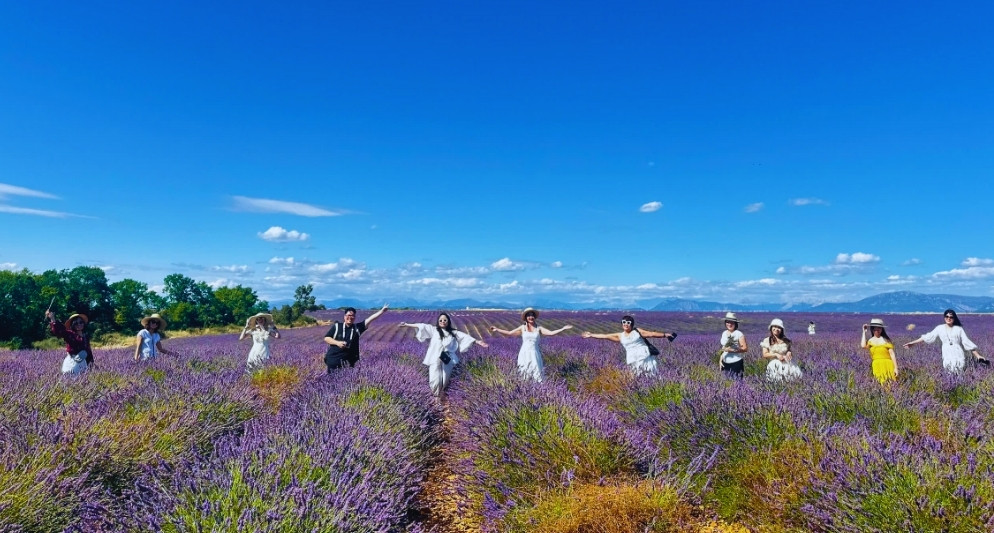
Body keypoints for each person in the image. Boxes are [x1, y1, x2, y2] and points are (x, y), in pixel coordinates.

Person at [399, 312, 488, 399]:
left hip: (447, 358)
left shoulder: (453, 332)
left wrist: (478, 342)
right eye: (440, 320)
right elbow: (422, 326)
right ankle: (436, 396)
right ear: (438, 321)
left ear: (448, 321)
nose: (442, 321)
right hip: (434, 358)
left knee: (445, 378)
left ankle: (442, 394)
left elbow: (465, 337)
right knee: (434, 379)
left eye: (445, 320)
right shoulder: (434, 330)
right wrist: (407, 324)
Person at [489, 308, 573, 382]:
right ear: (526, 318)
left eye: (532, 315)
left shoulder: (539, 328)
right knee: (524, 371)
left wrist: (562, 329)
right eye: (528, 315)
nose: (530, 317)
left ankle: (539, 390)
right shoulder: (522, 327)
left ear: (534, 317)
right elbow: (510, 333)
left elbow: (551, 333)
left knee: (536, 371)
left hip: (534, 353)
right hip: (524, 353)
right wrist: (497, 329)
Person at [581, 315, 675, 375]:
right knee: (636, 375)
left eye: (628, 322)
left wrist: (665, 335)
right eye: (624, 322)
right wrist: (591, 335)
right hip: (632, 358)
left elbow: (651, 334)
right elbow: (605, 336)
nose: (626, 324)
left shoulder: (637, 331)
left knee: (649, 374)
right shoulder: (620, 335)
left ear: (632, 324)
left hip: (644, 356)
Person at [903, 309, 987, 372]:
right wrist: (912, 343)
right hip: (946, 353)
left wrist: (978, 355)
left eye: (951, 317)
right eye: (947, 316)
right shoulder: (940, 328)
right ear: (944, 317)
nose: (949, 318)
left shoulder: (959, 329)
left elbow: (967, 343)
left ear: (954, 318)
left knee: (959, 371)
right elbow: (927, 337)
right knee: (948, 371)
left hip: (958, 353)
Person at [323, 305, 389, 372]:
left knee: (348, 380)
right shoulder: (337, 326)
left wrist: (382, 311)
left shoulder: (357, 328)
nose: (350, 317)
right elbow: (327, 338)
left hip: (349, 361)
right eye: (348, 315)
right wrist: (337, 343)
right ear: (344, 316)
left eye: (352, 316)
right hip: (334, 359)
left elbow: (370, 319)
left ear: (354, 317)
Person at [861, 318, 898, 384]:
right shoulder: (870, 341)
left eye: (879, 328)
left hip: (888, 364)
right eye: (875, 328)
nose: (877, 330)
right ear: (872, 329)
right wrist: (864, 332)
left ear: (882, 329)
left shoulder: (886, 340)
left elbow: (892, 354)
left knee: (891, 383)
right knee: (880, 383)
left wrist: (896, 368)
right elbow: (863, 346)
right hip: (876, 365)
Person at [718, 312, 747, 378]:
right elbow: (724, 348)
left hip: (736, 363)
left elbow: (745, 349)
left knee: (737, 382)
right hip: (724, 362)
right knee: (725, 383)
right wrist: (720, 360)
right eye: (728, 322)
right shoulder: (724, 333)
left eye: (732, 322)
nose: (730, 324)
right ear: (725, 323)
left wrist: (732, 350)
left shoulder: (739, 334)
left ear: (735, 324)